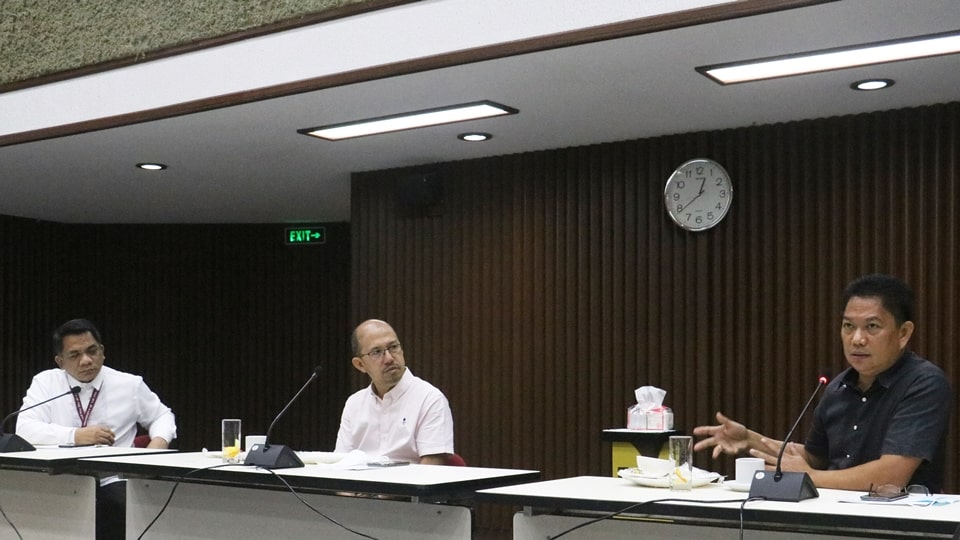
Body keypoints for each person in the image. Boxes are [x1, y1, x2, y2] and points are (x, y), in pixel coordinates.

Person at [693, 274, 952, 492]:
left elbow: (891, 477)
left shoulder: (924, 383)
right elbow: (815, 458)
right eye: (848, 326)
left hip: (900, 523)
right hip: (834, 516)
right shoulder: (837, 387)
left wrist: (810, 478)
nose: (857, 339)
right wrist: (751, 439)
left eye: (872, 326)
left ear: (903, 333)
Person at [16, 318, 177, 448]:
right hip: (61, 479)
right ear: (60, 362)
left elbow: (162, 415)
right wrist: (75, 435)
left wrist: (157, 445)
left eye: (92, 351)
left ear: (102, 352)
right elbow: (24, 429)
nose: (86, 360)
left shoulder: (129, 384)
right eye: (75, 355)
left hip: (114, 477)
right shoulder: (46, 382)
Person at [335, 319, 454, 464]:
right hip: (360, 486)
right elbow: (340, 465)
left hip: (409, 485)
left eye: (393, 347)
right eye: (377, 352)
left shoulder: (429, 399)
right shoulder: (354, 403)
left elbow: (430, 473)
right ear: (360, 365)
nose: (389, 358)